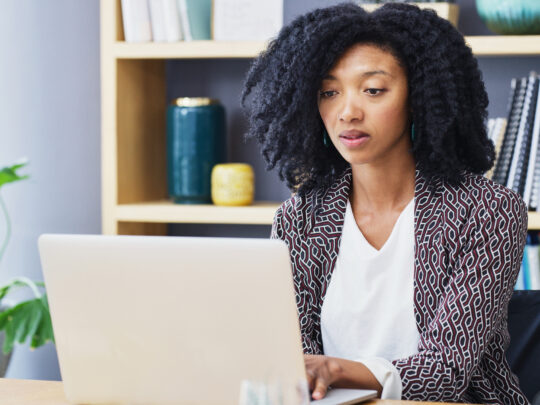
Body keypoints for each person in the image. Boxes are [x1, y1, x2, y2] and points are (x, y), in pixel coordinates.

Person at [241, 2, 529, 404]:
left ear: (419, 96)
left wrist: (336, 369)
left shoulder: (486, 211)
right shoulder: (299, 220)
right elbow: (297, 359)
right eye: (329, 92)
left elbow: (446, 370)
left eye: (373, 90)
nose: (347, 112)